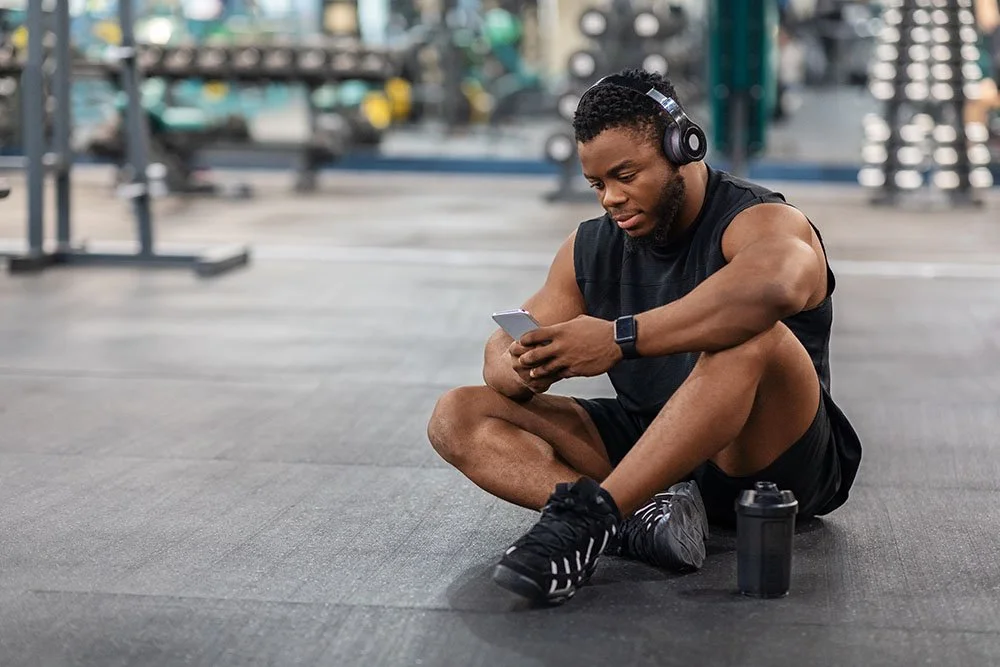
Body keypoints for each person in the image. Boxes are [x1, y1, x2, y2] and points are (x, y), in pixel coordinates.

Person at [426, 67, 863, 605]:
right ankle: (636, 526)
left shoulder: (762, 219)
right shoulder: (589, 247)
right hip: (657, 451)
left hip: (767, 460)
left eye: (626, 175)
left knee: (752, 336)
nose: (610, 198)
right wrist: (521, 364)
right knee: (458, 415)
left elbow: (771, 289)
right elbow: (501, 351)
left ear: (683, 149)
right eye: (597, 184)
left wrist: (619, 338)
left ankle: (590, 522)